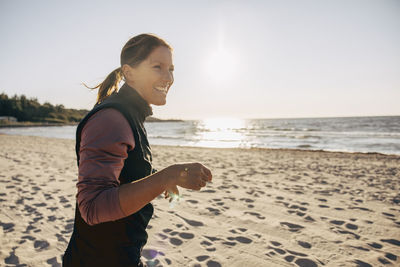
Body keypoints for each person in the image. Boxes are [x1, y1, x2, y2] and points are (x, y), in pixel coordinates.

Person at [62, 33, 213, 267]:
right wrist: (166, 176)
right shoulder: (111, 118)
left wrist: (161, 179)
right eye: (158, 67)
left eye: (171, 68)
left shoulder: (131, 114)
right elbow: (92, 207)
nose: (169, 77)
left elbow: (124, 174)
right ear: (129, 73)